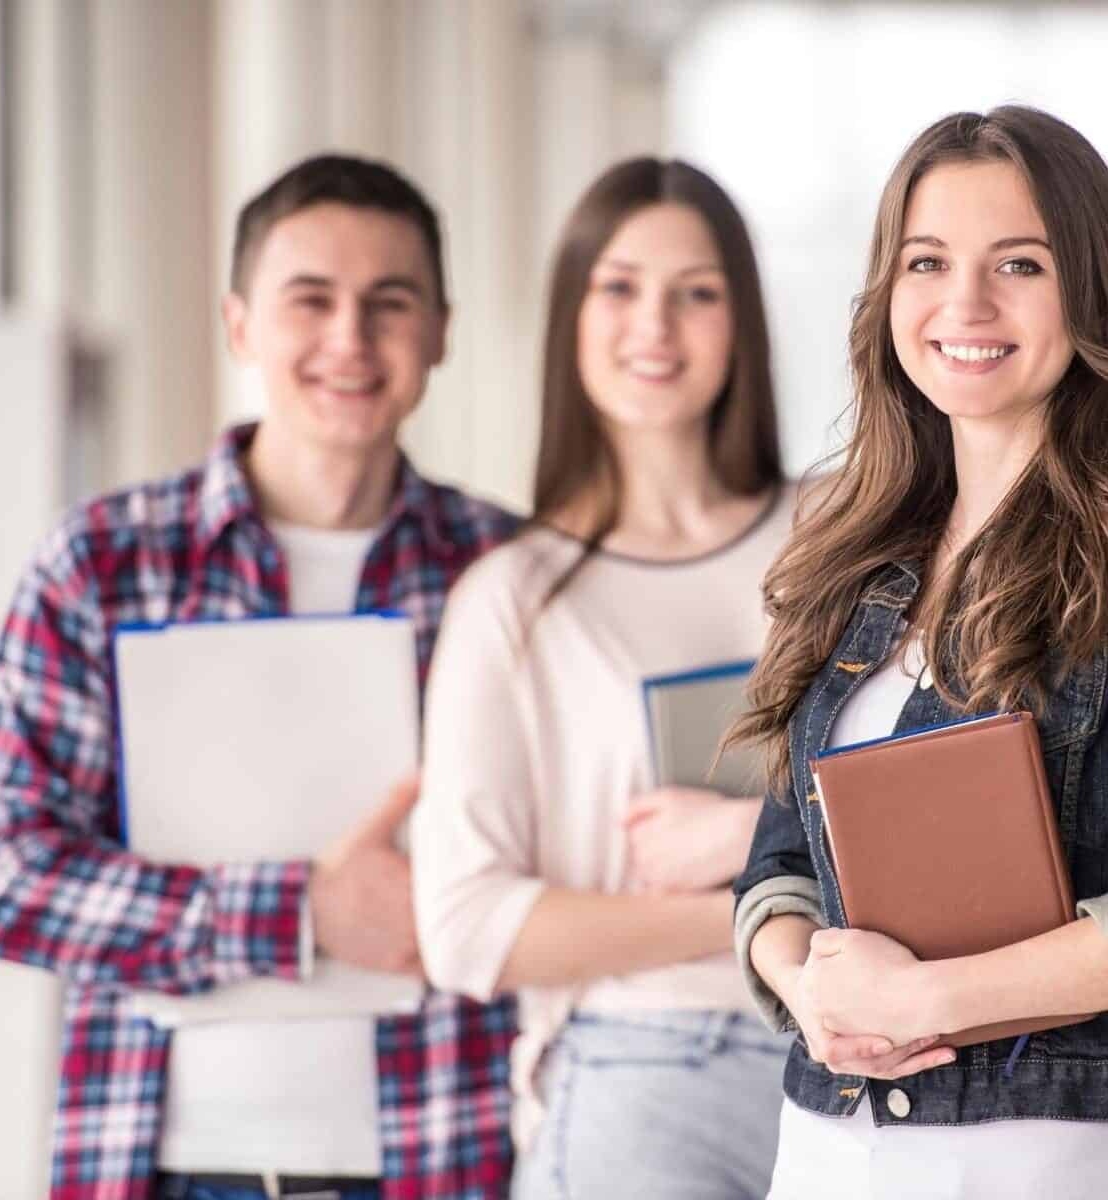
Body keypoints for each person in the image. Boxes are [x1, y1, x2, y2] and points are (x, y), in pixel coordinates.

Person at [0, 155, 518, 1200]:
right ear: (240, 325)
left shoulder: (508, 575)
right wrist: (303, 913)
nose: (349, 341)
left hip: (451, 1156)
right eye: (309, 301)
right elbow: (7, 870)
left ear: (442, 331)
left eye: (390, 302)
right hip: (169, 1163)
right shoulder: (104, 564)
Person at [732, 105, 1108, 1199]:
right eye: (927, 262)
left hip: (1041, 1158)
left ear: (1087, 291)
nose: (965, 304)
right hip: (826, 1148)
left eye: (1018, 264)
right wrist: (811, 993)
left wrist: (927, 1003)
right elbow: (780, 865)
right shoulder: (853, 554)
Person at [412, 157, 794, 1200]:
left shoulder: (838, 537)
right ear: (571, 314)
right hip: (645, 1067)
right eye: (619, 287)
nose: (655, 326)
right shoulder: (513, 598)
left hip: (859, 1060)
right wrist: (771, 902)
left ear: (743, 322)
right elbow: (466, 926)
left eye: (697, 292)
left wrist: (760, 863)